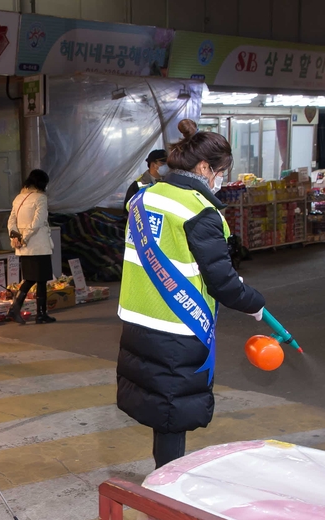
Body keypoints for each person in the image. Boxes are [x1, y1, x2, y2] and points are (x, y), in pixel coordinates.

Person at [116, 120, 265, 468]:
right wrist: (254, 302)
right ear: (203, 168)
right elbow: (223, 283)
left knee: (161, 409)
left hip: (138, 319)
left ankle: (162, 478)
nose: (221, 179)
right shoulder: (199, 211)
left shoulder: (145, 197)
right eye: (220, 171)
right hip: (177, 327)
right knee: (172, 413)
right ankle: (166, 491)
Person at [6, 170, 56, 324]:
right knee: (37, 279)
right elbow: (38, 221)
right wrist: (25, 237)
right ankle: (20, 310)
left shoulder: (18, 198)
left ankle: (40, 313)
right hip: (39, 245)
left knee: (34, 278)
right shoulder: (41, 198)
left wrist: (16, 237)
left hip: (23, 247)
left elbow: (11, 221)